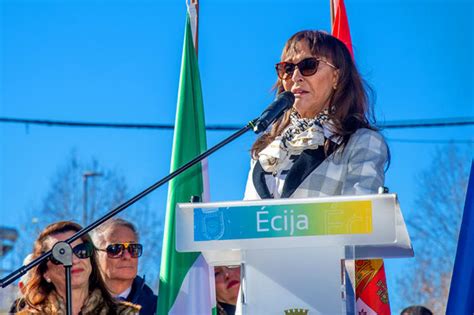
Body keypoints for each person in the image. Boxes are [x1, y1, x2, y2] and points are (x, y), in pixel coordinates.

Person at [245, 29, 388, 201]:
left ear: (336, 76)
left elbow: (363, 218)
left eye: (308, 66)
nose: (296, 77)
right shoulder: (265, 147)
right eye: (287, 68)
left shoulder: (362, 141)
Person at [16, 221, 140, 314]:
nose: (74, 260)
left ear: (90, 260)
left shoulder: (124, 313)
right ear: (45, 272)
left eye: (81, 250)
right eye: (61, 254)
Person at [91, 218, 157, 315]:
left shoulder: (159, 309)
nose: (126, 256)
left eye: (133, 248)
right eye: (115, 249)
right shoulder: (75, 304)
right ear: (95, 256)